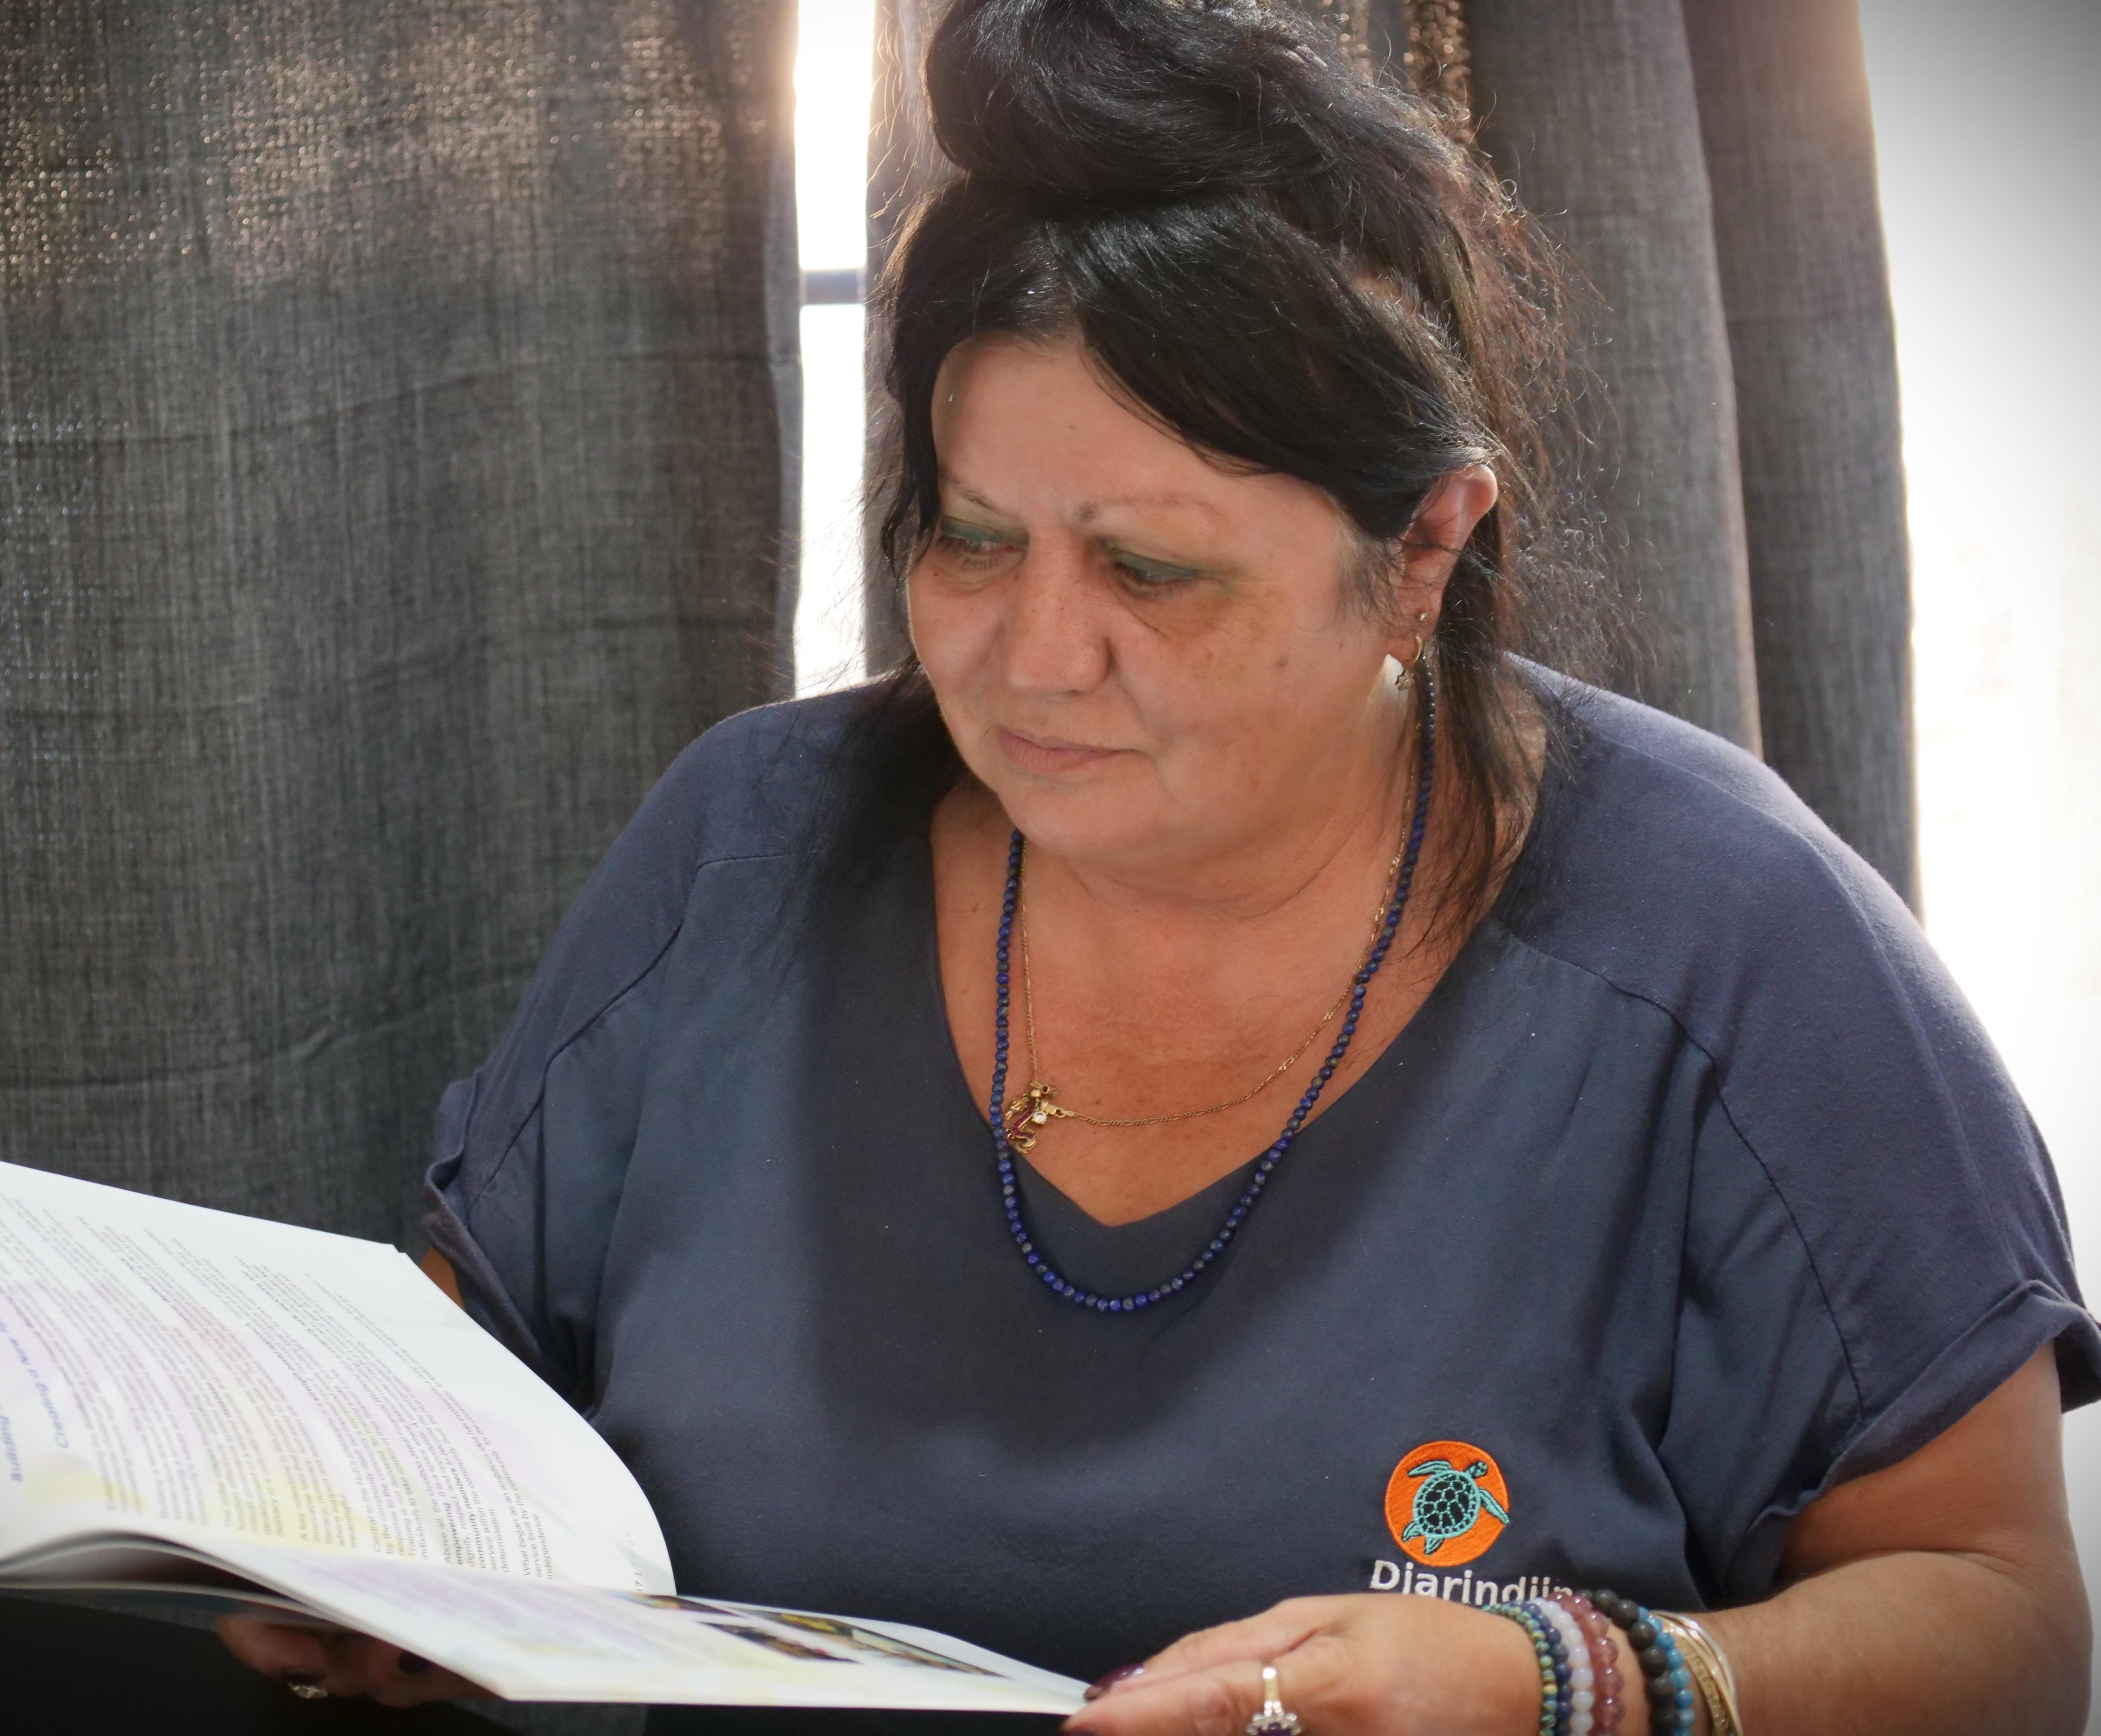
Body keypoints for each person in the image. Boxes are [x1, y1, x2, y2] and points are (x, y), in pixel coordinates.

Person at [220, 0, 2098, 1729]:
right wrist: (380, 1566)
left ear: (1422, 550)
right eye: (969, 539)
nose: (1031, 657)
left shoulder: (1728, 948)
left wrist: (1569, 1684)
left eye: (1149, 570)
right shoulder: (751, 845)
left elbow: (2004, 1623)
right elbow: (464, 1382)